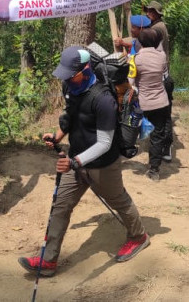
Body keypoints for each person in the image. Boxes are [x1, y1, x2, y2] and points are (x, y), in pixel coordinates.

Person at [18, 46, 149, 277]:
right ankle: (48, 260)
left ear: (85, 69)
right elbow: (71, 114)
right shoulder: (70, 85)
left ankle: (139, 237)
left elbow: (105, 143)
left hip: (103, 164)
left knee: (119, 201)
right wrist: (58, 135)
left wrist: (75, 162)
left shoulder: (104, 99)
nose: (67, 77)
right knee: (60, 206)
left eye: (71, 73)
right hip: (76, 160)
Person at [130, 28, 170, 181]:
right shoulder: (162, 56)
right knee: (157, 135)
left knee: (134, 129)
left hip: (144, 103)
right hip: (161, 102)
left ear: (140, 42)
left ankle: (128, 153)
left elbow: (131, 83)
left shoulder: (136, 59)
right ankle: (154, 169)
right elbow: (165, 76)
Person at [143, 0, 174, 162]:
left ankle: (165, 146)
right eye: (148, 11)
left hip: (160, 77)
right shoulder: (158, 26)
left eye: (152, 12)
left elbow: (143, 42)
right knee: (163, 113)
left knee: (162, 114)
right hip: (162, 74)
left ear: (157, 14)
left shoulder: (157, 28)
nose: (149, 13)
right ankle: (164, 146)